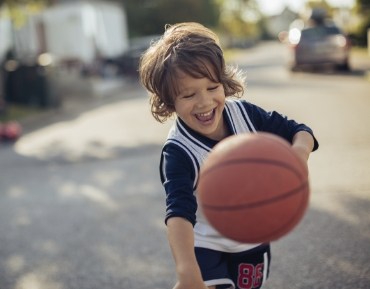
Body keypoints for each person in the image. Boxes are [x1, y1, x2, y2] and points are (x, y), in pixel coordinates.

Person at [139, 22, 319, 289]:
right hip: (205, 242)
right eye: (189, 94)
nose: (204, 102)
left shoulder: (244, 113)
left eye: (213, 88)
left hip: (251, 236)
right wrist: (186, 268)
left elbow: (301, 132)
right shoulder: (179, 151)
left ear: (223, 83)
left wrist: (297, 157)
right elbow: (178, 213)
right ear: (169, 102)